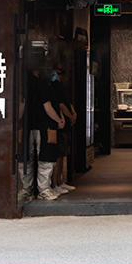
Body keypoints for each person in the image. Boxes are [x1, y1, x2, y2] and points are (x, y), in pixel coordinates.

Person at [17, 59, 65, 201]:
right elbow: (47, 107)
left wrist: (15, 121)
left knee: (26, 158)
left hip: (27, 126)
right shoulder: (43, 85)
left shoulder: (24, 84)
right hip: (44, 127)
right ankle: (43, 189)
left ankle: (27, 189)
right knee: (45, 157)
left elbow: (21, 107)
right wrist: (59, 120)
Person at [49, 64, 77, 195]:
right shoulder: (52, 86)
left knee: (62, 154)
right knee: (58, 154)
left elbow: (67, 102)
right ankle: (55, 183)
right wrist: (70, 116)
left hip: (65, 123)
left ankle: (60, 181)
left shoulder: (62, 86)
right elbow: (61, 105)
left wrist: (73, 113)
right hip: (60, 123)